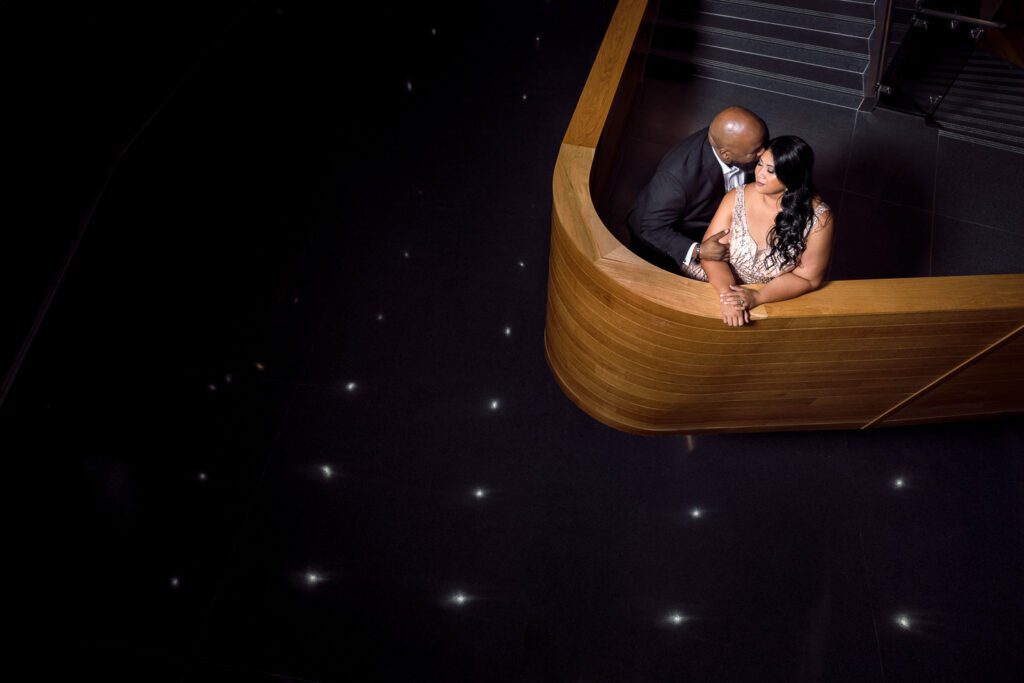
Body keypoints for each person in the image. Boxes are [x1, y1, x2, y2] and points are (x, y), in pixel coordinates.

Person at [681, 135, 834, 327]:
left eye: (771, 171)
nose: (760, 174)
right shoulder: (736, 197)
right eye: (760, 164)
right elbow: (711, 253)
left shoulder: (819, 218)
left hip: (773, 293)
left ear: (791, 178)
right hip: (718, 281)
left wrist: (757, 296)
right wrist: (729, 296)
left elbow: (808, 278)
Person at [627, 106, 768, 273]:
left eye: (764, 143)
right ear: (726, 154)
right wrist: (698, 250)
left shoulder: (738, 142)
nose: (765, 152)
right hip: (662, 242)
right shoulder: (676, 178)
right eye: (755, 152)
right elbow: (652, 229)